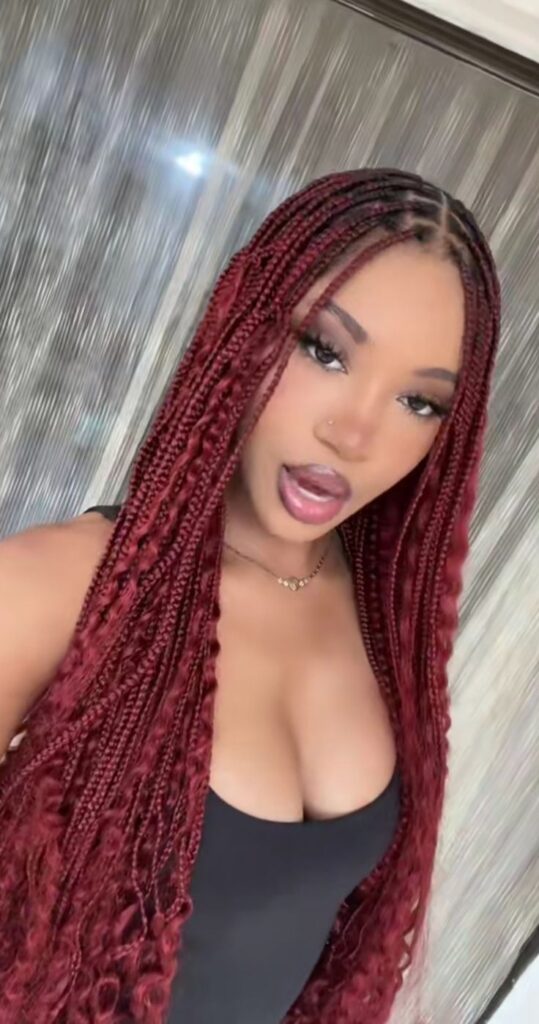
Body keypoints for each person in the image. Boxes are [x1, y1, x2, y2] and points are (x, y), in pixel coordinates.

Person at [0, 168, 500, 1023]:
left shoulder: (384, 632)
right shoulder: (54, 590)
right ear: (244, 331)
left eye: (418, 401)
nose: (353, 433)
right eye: (324, 351)